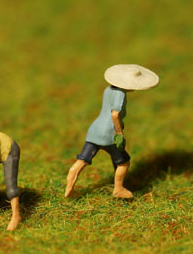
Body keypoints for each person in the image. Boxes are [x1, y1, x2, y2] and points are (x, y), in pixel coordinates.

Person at [65, 64, 159, 199]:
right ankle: (118, 188)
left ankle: (69, 189)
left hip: (95, 129)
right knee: (124, 162)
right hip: (108, 133)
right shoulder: (120, 94)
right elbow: (115, 114)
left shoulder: (108, 89)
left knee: (82, 160)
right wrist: (119, 132)